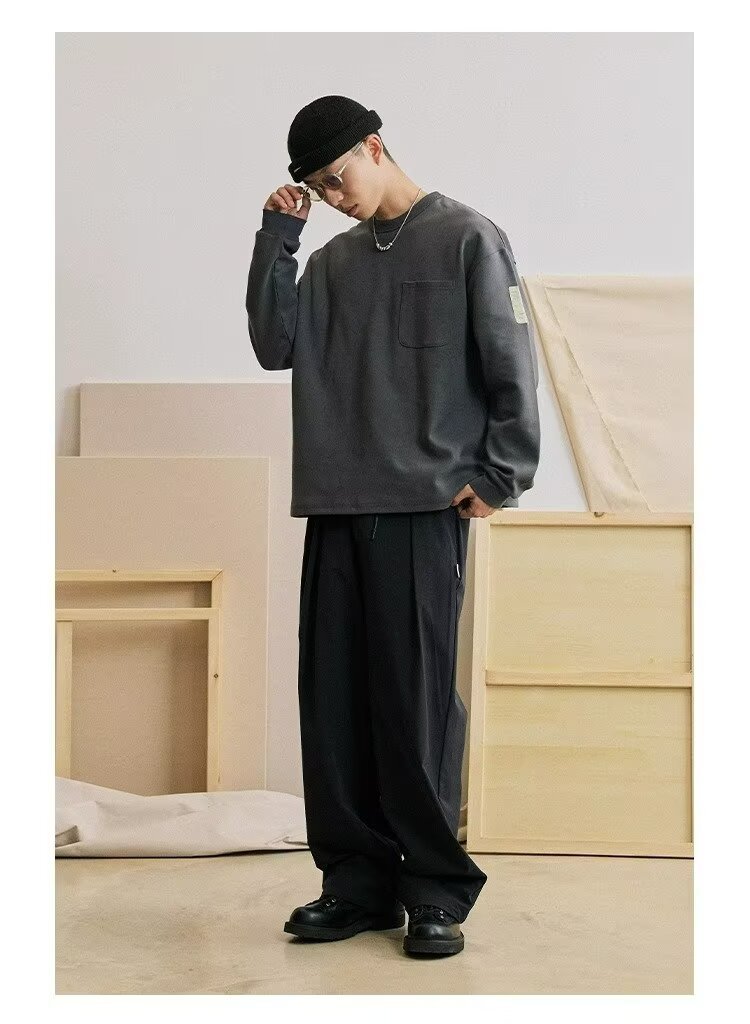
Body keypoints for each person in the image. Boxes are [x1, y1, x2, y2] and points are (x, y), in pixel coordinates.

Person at [245, 95, 541, 958]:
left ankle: (436, 889)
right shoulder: (330, 261)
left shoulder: (467, 237)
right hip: (337, 503)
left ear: (374, 147)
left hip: (425, 507)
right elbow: (273, 344)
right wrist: (277, 238)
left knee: (414, 707)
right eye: (317, 187)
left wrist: (503, 473)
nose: (333, 197)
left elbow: (511, 357)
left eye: (337, 178)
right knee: (335, 707)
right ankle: (356, 884)